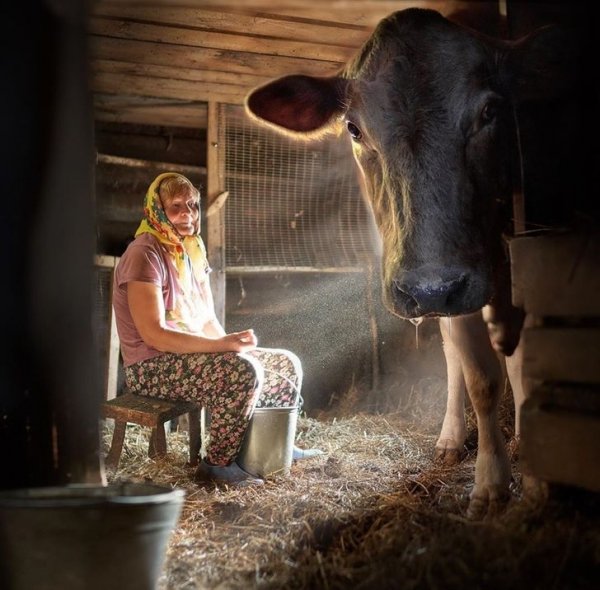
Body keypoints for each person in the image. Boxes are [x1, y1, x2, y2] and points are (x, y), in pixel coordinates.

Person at [112, 172, 320, 487]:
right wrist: (225, 349)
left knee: (283, 363)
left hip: (183, 359)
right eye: (176, 206)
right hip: (150, 366)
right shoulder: (145, 252)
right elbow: (154, 334)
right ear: (156, 210)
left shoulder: (191, 251)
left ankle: (274, 448)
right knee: (240, 371)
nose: (188, 214)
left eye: (193, 206)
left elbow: (207, 320)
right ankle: (217, 467)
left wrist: (232, 344)